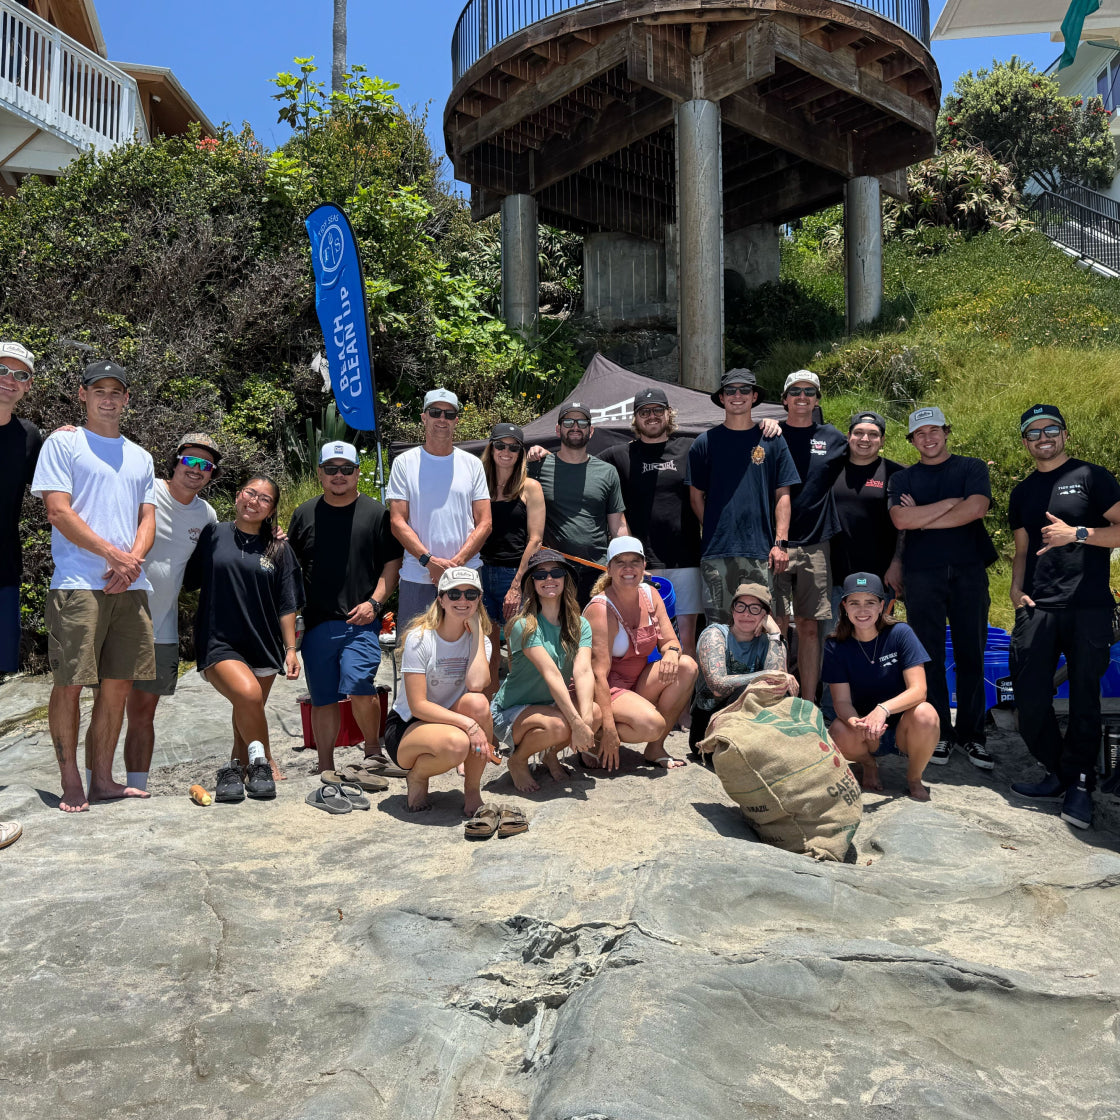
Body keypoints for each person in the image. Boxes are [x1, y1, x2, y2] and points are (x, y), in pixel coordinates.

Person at [31, 360, 156, 814]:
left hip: (130, 585)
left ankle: (102, 779)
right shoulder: (63, 443)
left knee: (118, 685)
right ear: (82, 394)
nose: (108, 398)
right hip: (79, 584)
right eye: (98, 389)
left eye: (116, 391)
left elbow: (148, 518)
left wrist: (132, 561)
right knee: (70, 684)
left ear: (126, 399)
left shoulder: (141, 456)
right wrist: (114, 556)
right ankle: (71, 781)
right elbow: (58, 512)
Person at [1008, 405, 1120, 830]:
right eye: (1033, 432)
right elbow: (1021, 550)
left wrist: (1078, 533)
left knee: (1085, 698)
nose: (1043, 437)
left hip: (1088, 606)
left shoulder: (1092, 476)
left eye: (1050, 429)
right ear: (1025, 442)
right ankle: (1064, 772)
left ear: (1065, 434)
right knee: (1029, 696)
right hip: (1038, 607)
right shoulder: (1022, 492)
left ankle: (1080, 785)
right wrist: (1016, 590)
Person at [888, 406, 996, 771]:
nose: (928, 438)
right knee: (928, 655)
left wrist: (926, 518)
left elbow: (977, 508)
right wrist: (951, 504)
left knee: (971, 651)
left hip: (968, 570)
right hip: (922, 574)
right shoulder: (904, 479)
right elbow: (901, 518)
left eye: (935, 431)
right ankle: (941, 734)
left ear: (946, 432)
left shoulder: (971, 468)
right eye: (920, 434)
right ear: (912, 440)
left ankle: (973, 735)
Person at [288, 440, 403, 776]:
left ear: (357, 473)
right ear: (320, 473)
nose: (339, 475)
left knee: (359, 684)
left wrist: (375, 603)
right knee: (322, 698)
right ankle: (326, 764)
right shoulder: (303, 513)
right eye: (331, 469)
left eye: (346, 469)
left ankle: (373, 752)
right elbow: (290, 566)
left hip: (361, 621)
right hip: (317, 623)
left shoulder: (377, 513)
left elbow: (392, 564)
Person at [190, 475, 303, 800]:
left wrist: (291, 649)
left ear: (271, 510)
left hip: (264, 644)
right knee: (250, 696)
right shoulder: (213, 533)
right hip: (219, 640)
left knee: (246, 708)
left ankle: (235, 768)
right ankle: (263, 761)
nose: (254, 501)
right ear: (239, 496)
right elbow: (187, 575)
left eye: (264, 499)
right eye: (250, 493)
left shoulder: (279, 548)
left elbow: (287, 604)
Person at [119, 434, 221, 793]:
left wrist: (275, 536)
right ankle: (96, 783)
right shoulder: (146, 491)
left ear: (211, 475)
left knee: (144, 713)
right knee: (109, 707)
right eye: (190, 461)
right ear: (175, 460)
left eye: (205, 466)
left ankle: (137, 787)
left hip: (163, 625)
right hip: (120, 616)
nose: (196, 471)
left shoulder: (206, 514)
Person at [597, 387, 705, 656]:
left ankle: (685, 698)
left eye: (658, 410)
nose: (652, 416)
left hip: (687, 561)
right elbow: (579, 465)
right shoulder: (618, 455)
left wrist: (767, 428)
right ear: (635, 419)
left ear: (669, 414)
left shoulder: (690, 449)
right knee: (645, 643)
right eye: (645, 412)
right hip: (642, 566)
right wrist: (541, 455)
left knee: (685, 643)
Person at [381, 567, 498, 814]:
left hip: (450, 717)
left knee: (478, 703)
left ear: (479, 598)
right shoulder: (420, 638)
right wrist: (469, 726)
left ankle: (473, 791)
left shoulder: (481, 641)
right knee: (457, 744)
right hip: (408, 726)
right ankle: (417, 777)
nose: (463, 600)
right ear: (441, 599)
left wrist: (477, 633)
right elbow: (418, 706)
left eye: (470, 594)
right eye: (454, 594)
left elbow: (477, 685)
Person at [688, 368, 800, 625]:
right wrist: (718, 528)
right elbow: (696, 497)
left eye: (744, 390)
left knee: (759, 627)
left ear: (754, 396)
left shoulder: (772, 440)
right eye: (730, 391)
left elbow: (783, 494)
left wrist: (780, 543)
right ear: (722, 398)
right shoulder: (704, 442)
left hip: (760, 551)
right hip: (717, 553)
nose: (737, 395)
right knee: (719, 627)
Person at [584, 536, 698, 770]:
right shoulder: (600, 608)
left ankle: (655, 748)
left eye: (635, 562)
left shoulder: (651, 594)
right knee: (652, 724)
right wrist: (609, 729)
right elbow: (597, 676)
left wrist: (670, 653)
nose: (628, 568)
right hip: (604, 688)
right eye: (620, 562)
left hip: (636, 682)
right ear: (609, 569)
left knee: (686, 665)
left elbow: (671, 641)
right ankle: (596, 736)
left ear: (644, 566)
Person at [822, 572, 939, 801]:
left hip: (903, 729)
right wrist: (856, 722)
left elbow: (919, 690)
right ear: (844, 606)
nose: (862, 610)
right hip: (866, 730)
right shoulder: (835, 645)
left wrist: (882, 710)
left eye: (870, 603)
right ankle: (868, 764)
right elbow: (842, 702)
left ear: (882, 606)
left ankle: (914, 778)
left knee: (927, 713)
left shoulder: (900, 633)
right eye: (854, 603)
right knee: (838, 729)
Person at [492, 548, 600, 792]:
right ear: (532, 582)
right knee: (562, 725)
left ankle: (550, 755)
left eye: (556, 573)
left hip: (549, 705)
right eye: (540, 575)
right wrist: (576, 722)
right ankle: (517, 761)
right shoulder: (524, 625)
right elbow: (550, 673)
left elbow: (583, 672)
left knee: (594, 712)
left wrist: (586, 720)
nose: (549, 579)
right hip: (511, 710)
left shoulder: (580, 624)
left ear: (565, 579)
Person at [387, 388, 491, 626]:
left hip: (466, 576)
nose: (442, 419)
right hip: (418, 575)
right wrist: (429, 562)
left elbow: (485, 522)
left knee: (468, 653)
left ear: (456, 420)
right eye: (435, 412)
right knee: (414, 649)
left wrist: (456, 564)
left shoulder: (473, 464)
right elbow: (397, 521)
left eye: (449, 413)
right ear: (424, 417)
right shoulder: (404, 463)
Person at [774, 370, 848, 704]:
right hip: (774, 543)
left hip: (816, 544)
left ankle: (809, 700)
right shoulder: (770, 435)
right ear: (785, 399)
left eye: (809, 392)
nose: (802, 397)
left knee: (808, 627)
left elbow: (864, 466)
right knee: (773, 626)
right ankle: (774, 696)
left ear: (817, 399)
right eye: (796, 392)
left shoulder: (832, 438)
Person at [529, 400, 628, 603]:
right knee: (556, 632)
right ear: (558, 429)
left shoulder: (607, 472)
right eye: (568, 422)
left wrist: (628, 559)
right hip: (554, 572)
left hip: (597, 571)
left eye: (582, 423)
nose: (575, 427)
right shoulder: (537, 467)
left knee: (596, 632)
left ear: (591, 431)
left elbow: (618, 524)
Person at [478, 422, 545, 692]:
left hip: (514, 574)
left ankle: (520, 710)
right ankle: (491, 714)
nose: (506, 451)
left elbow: (536, 539)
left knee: (520, 650)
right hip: (480, 573)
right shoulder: (478, 485)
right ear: (491, 448)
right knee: (487, 652)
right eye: (500, 445)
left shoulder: (530, 487)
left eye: (513, 447)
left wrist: (517, 585)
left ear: (520, 452)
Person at [691, 582, 790, 751]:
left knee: (783, 693)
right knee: (745, 689)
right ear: (732, 610)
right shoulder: (715, 634)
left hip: (752, 723)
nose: (746, 613)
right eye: (741, 606)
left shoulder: (771, 642)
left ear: (766, 615)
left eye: (755, 608)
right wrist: (765, 675)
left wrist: (775, 633)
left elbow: (779, 684)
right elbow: (718, 686)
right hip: (709, 725)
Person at [0, 341, 42, 675]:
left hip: (4, 569)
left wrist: (72, 442)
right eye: (1, 369)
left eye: (19, 374)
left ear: (27, 386)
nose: (8, 379)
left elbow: (55, 492)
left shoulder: (30, 437)